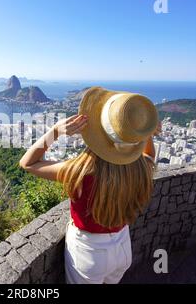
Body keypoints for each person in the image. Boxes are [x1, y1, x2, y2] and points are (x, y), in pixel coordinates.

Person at [19, 86, 160, 284]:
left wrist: (55, 131)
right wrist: (144, 134)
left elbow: (28, 163)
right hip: (123, 246)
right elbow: (149, 156)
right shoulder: (141, 168)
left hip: (89, 253)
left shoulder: (80, 171)